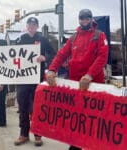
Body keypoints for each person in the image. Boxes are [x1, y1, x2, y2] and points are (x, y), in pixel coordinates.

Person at [46, 9, 108, 150]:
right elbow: (61, 54)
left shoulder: (100, 35)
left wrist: (89, 75)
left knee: (94, 120)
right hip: (76, 85)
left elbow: (102, 57)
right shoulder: (73, 38)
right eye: (82, 18)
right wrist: (51, 70)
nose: (84, 21)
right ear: (79, 20)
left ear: (91, 19)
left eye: (87, 18)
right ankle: (75, 145)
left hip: (94, 85)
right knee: (77, 118)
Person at [14, 17, 55, 146]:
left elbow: (53, 54)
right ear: (27, 26)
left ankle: (38, 134)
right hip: (22, 80)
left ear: (37, 26)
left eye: (34, 25)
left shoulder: (42, 39)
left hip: (36, 79)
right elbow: (10, 56)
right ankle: (23, 134)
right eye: (29, 24)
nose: (31, 27)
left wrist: (45, 58)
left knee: (36, 108)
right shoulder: (21, 39)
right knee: (23, 107)